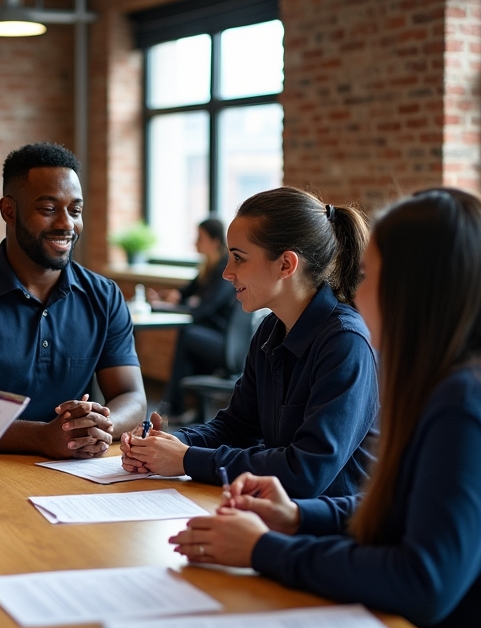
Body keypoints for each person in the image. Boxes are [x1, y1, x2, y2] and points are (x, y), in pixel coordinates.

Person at [170, 188, 481, 628]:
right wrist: (298, 516)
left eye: (366, 278)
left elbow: (422, 580)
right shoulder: (455, 384)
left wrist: (263, 549)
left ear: (415, 291)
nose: (355, 295)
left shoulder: (472, 401)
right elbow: (411, 513)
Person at [121, 187, 377, 499]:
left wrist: (186, 459)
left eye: (239, 259)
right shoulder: (271, 329)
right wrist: (168, 443)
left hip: (332, 534)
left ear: (286, 265)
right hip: (274, 516)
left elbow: (306, 472)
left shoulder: (345, 343)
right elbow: (236, 428)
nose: (227, 273)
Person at [0, 142, 146, 459]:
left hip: (72, 467)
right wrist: (42, 438)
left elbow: (132, 396)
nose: (66, 224)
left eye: (75, 211)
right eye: (49, 210)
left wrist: (99, 425)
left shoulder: (103, 296)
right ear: (9, 210)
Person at [152, 218, 242, 422]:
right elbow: (187, 293)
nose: (195, 243)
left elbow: (204, 308)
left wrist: (177, 307)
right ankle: (182, 407)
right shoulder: (207, 267)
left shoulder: (222, 270)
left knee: (188, 335)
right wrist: (172, 298)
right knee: (189, 339)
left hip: (226, 343)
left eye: (200, 237)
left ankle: (175, 405)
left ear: (214, 241)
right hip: (210, 335)